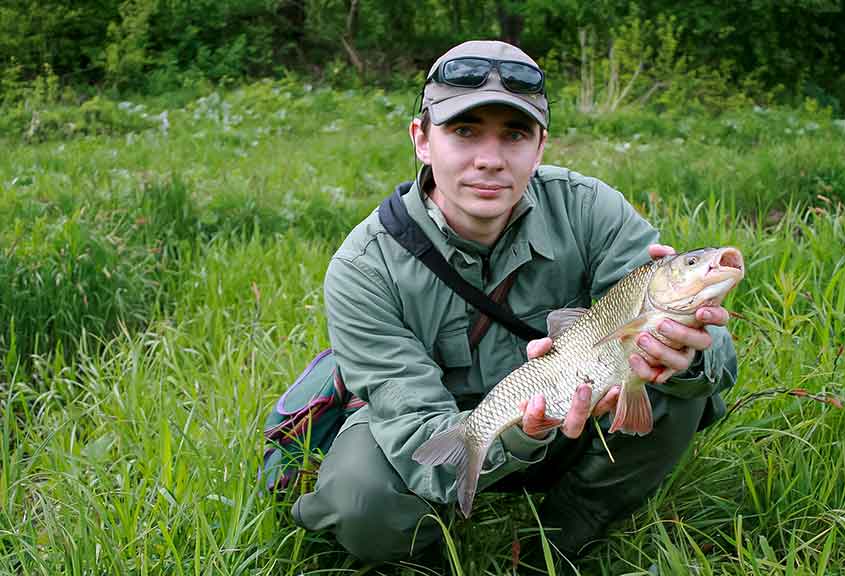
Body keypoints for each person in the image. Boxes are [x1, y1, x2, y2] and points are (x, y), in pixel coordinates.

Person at [290, 40, 738, 568]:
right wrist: (518, 435)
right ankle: (432, 555)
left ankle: (566, 537)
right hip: (444, 426)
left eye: (515, 134)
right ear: (422, 140)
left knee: (678, 384)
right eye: (464, 131)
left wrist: (689, 351)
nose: (490, 159)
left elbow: (720, 363)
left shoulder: (590, 209)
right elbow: (413, 426)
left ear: (540, 146)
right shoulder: (364, 267)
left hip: (575, 404)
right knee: (359, 498)